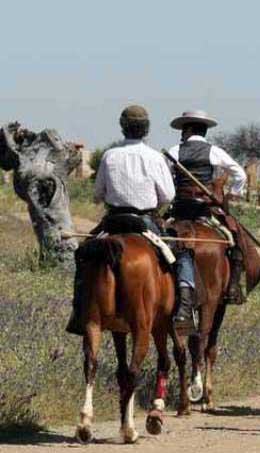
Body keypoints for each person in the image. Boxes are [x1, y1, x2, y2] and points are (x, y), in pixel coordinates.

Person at [67, 105, 176, 334]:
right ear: (146, 129)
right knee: (176, 256)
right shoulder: (155, 157)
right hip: (144, 220)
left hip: (113, 220)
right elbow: (168, 195)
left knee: (84, 253)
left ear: (122, 127)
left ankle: (80, 310)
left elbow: (98, 194)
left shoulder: (109, 155)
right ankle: (178, 309)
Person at [167, 110, 251, 312]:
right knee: (234, 235)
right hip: (204, 210)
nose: (181, 134)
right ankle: (232, 286)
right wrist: (233, 195)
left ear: (188, 129)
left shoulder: (173, 151)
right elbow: (240, 174)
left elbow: (165, 179)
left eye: (183, 130)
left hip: (179, 210)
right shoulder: (215, 151)